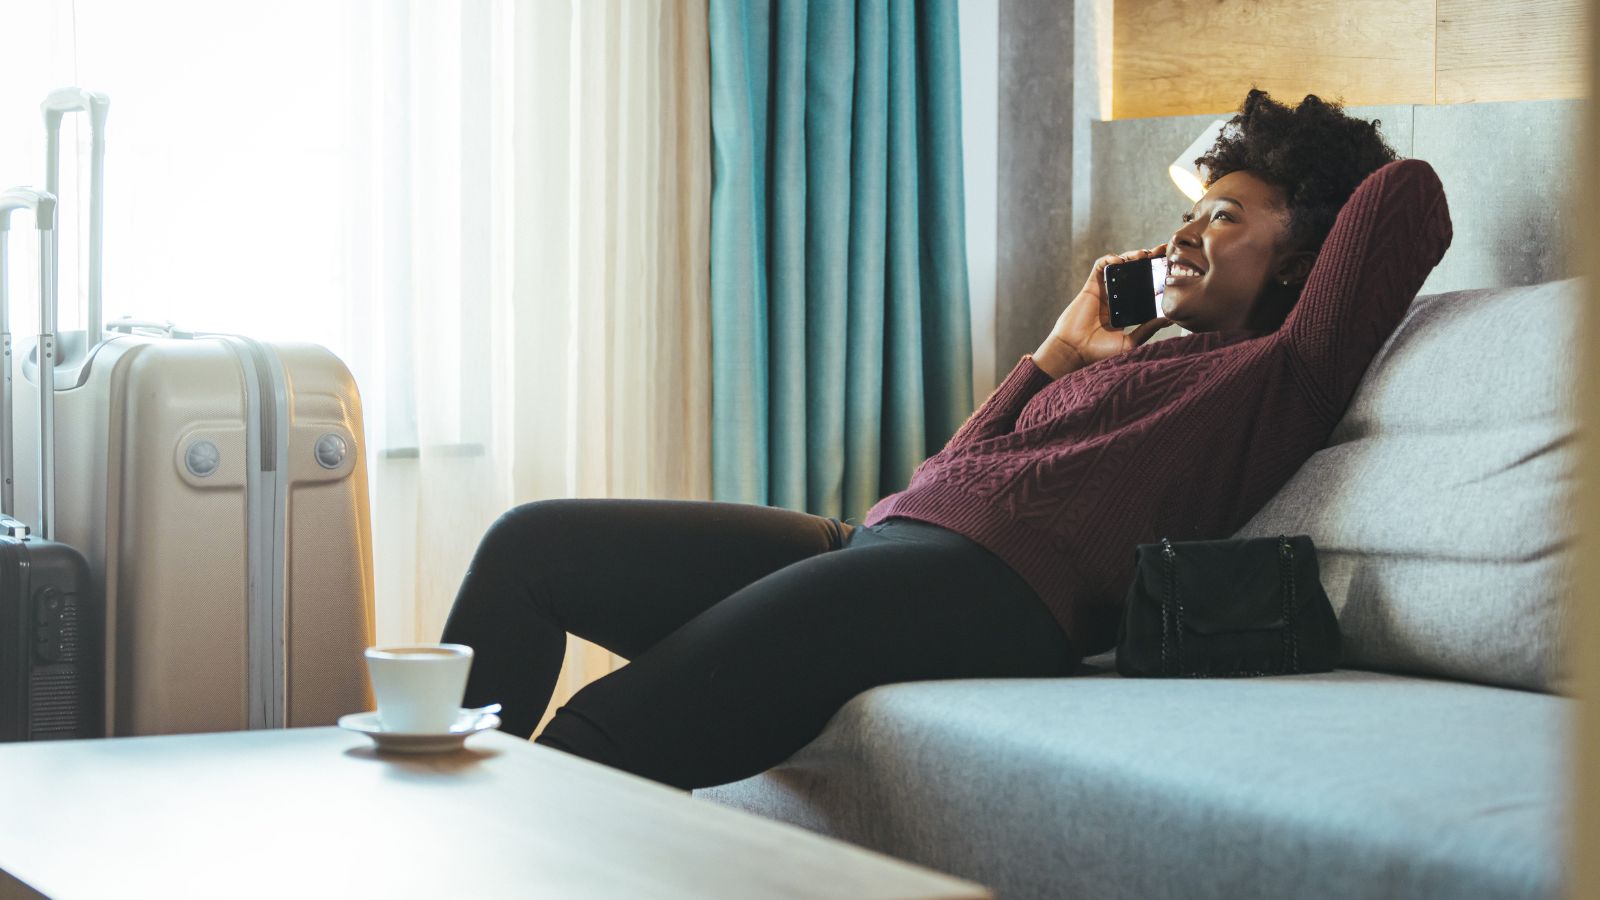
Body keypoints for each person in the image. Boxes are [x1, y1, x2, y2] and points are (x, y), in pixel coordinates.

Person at [440, 89, 1452, 791]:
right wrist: (1055, 355)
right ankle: (431, 799)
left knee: (604, 739)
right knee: (530, 548)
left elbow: (1406, 199)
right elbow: (944, 481)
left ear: (1306, 257)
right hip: (886, 545)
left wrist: (1282, 163)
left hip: (984, 594)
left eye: (1221, 216)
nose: (1184, 230)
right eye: (1188, 213)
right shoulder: (1134, 357)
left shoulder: (1284, 370)